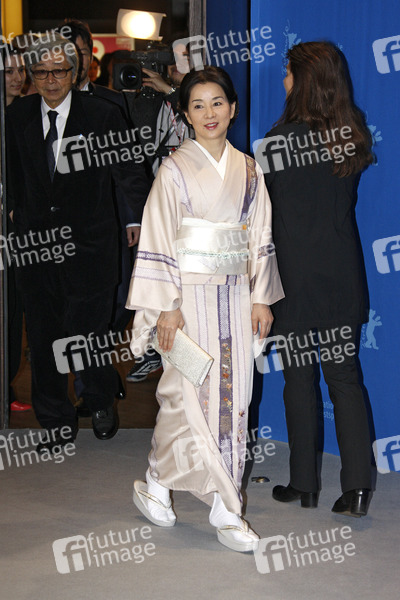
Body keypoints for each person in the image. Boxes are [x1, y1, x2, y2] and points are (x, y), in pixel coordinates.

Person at [126, 66, 284, 552]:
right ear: (185, 114)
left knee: (232, 401)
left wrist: (261, 297)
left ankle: (216, 504)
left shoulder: (250, 171)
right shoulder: (173, 170)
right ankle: (171, 486)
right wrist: (167, 306)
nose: (209, 113)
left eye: (218, 102)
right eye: (198, 105)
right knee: (184, 396)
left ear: (232, 109)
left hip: (235, 299)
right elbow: (157, 238)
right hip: (187, 301)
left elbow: (260, 236)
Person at [6, 33, 150, 451]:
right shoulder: (16, 117)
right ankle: (55, 422)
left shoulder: (103, 114)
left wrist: (144, 221)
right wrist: (14, 212)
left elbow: (130, 173)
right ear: (30, 75)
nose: (50, 80)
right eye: (41, 72)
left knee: (88, 337)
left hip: (91, 247)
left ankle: (101, 397)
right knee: (45, 339)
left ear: (75, 72)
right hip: (35, 248)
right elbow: (9, 174)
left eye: (59, 71)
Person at [261, 41, 374, 517]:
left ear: (304, 79)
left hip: (293, 280)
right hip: (343, 276)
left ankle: (304, 483)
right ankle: (358, 488)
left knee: (299, 380)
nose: (283, 79)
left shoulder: (278, 142)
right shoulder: (352, 136)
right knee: (345, 380)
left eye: (288, 72)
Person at [125, 40, 192, 384]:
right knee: (151, 275)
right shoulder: (143, 101)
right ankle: (152, 349)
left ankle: (183, 361)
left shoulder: (193, 100)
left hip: (188, 206)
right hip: (152, 198)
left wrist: (173, 92)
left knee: (181, 282)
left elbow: (197, 130)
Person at [3, 46, 32, 413]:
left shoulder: (25, 114)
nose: (17, 77)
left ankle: (5, 388)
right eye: (8, 71)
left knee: (13, 310)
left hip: (20, 229)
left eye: (20, 70)